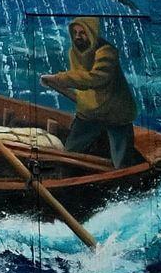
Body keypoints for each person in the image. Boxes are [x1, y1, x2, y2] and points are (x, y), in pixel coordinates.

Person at [40, 17, 142, 169]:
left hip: (116, 114)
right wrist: (56, 83)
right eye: (74, 32)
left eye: (82, 32)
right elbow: (80, 82)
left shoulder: (107, 52)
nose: (77, 36)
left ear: (92, 32)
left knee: (122, 165)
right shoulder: (74, 52)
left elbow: (95, 78)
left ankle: (124, 184)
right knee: (70, 153)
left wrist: (58, 78)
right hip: (90, 113)